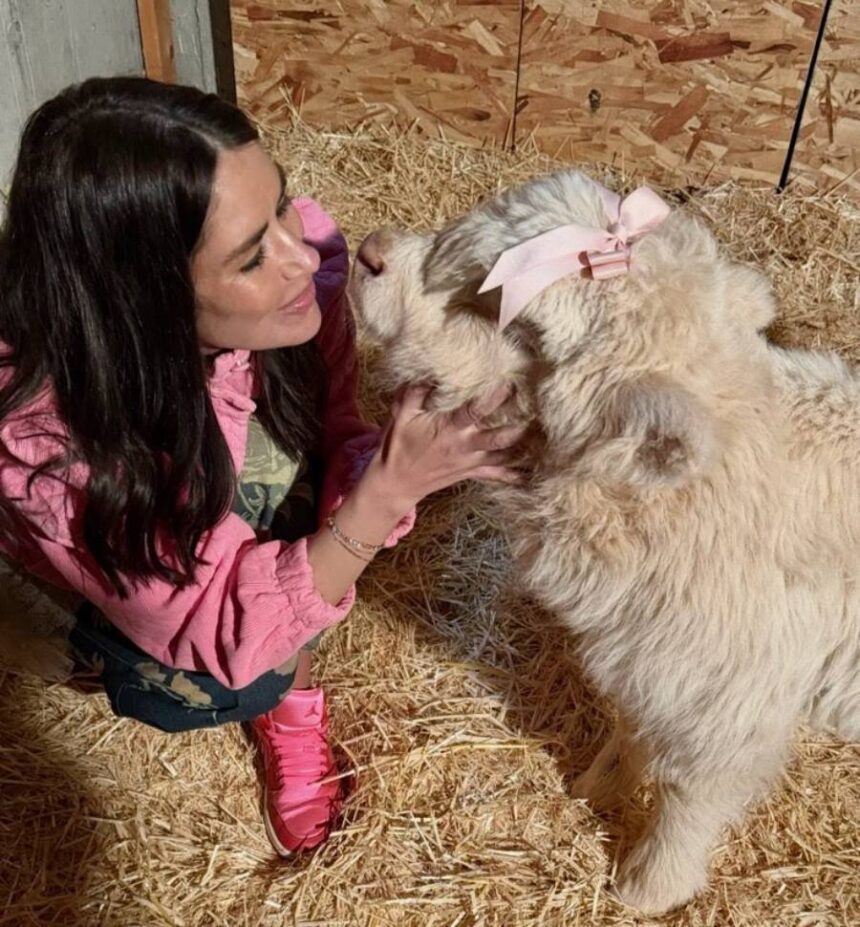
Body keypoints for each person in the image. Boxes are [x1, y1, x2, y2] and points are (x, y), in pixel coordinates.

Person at [0, 77, 523, 855]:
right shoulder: (54, 446)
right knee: (214, 684)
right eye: (251, 257)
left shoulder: (303, 274)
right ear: (149, 303)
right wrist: (385, 491)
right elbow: (211, 632)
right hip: (104, 546)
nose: (302, 252)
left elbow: (334, 419)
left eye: (280, 204)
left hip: (179, 442)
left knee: (291, 471)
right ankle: (277, 697)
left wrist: (394, 455)